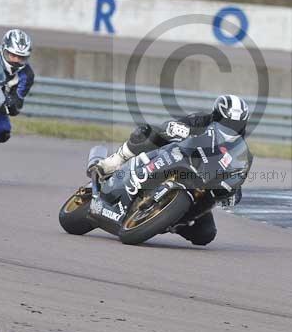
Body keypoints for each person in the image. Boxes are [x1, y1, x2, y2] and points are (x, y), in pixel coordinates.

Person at [90, 94, 251, 245]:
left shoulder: (240, 152)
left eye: (235, 124)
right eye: (226, 122)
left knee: (206, 234)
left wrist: (233, 193)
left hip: (199, 185)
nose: (230, 127)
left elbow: (237, 178)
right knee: (146, 133)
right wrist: (175, 128)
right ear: (215, 115)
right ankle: (113, 162)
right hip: (175, 157)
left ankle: (169, 221)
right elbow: (169, 126)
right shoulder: (201, 120)